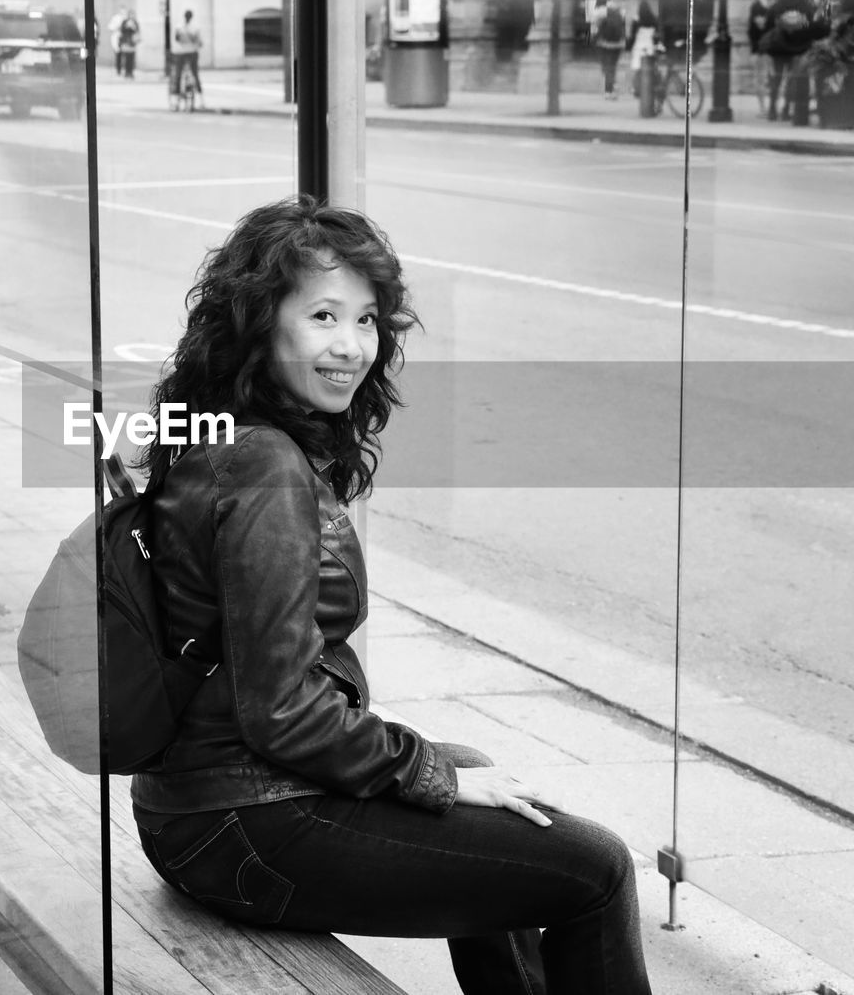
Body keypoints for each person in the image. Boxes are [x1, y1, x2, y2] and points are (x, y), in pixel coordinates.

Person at [131, 196, 653, 994]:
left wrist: (441, 772)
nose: (351, 347)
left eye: (368, 320)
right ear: (260, 325)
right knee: (599, 868)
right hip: (243, 826)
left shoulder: (215, 430)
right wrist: (427, 774)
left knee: (482, 781)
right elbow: (280, 711)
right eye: (324, 316)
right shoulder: (264, 467)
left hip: (196, 806)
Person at [759, 0, 816, 121]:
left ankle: (772, 109)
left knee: (776, 79)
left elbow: (767, 26)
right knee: (793, 80)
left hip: (778, 48)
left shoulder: (777, 6)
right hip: (798, 48)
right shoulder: (805, 6)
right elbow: (812, 26)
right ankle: (786, 110)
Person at [747, 0, 779, 116]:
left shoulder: (776, 6)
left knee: (773, 78)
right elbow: (757, 27)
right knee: (761, 79)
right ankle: (762, 108)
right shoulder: (757, 6)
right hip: (760, 48)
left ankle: (772, 106)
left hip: (774, 48)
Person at [591, 0, 628, 99]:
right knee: (612, 67)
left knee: (607, 67)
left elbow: (594, 25)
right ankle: (612, 86)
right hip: (617, 44)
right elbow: (624, 28)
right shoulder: (622, 11)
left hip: (604, 43)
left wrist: (594, 37)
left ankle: (609, 90)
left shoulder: (602, 11)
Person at [627, 0, 661, 100]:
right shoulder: (653, 19)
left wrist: (628, 47)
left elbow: (632, 36)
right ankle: (650, 88)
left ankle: (637, 90)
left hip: (639, 47)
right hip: (649, 46)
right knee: (650, 69)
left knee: (637, 70)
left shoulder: (637, 19)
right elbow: (656, 35)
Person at [170, 8, 204, 109]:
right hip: (190, 52)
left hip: (181, 52)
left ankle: (176, 100)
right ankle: (200, 99)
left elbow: (177, 39)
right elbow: (199, 42)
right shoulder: (194, 27)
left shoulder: (180, 26)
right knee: (194, 74)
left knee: (179, 75)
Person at [118, 9, 140, 80]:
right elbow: (121, 30)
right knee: (126, 58)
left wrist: (133, 27)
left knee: (132, 58)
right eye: (131, 14)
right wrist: (127, 26)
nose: (132, 16)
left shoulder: (135, 22)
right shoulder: (125, 22)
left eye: (133, 14)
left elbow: (137, 31)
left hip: (132, 43)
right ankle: (126, 72)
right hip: (126, 42)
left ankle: (131, 72)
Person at [107, 6, 127, 76]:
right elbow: (110, 27)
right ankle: (118, 70)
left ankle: (126, 70)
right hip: (117, 37)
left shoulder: (126, 18)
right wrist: (117, 27)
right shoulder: (116, 18)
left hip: (125, 38)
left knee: (126, 55)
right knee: (118, 54)